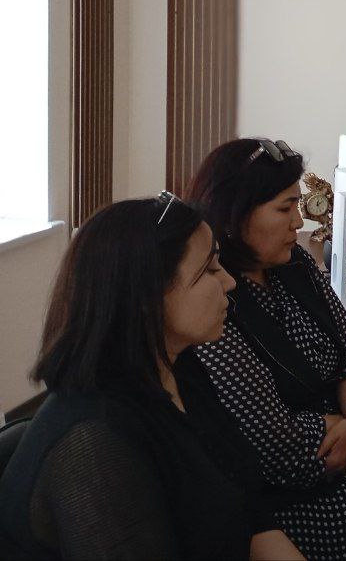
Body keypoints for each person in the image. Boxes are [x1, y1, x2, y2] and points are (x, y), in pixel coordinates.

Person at [184, 139, 346, 561]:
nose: (299, 222)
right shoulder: (214, 301)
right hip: (298, 498)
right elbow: (283, 452)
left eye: (298, 205)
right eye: (284, 208)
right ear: (236, 215)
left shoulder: (296, 263)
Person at [0, 195, 302, 560]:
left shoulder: (181, 366)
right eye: (208, 270)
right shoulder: (95, 442)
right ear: (148, 296)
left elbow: (247, 505)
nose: (228, 281)